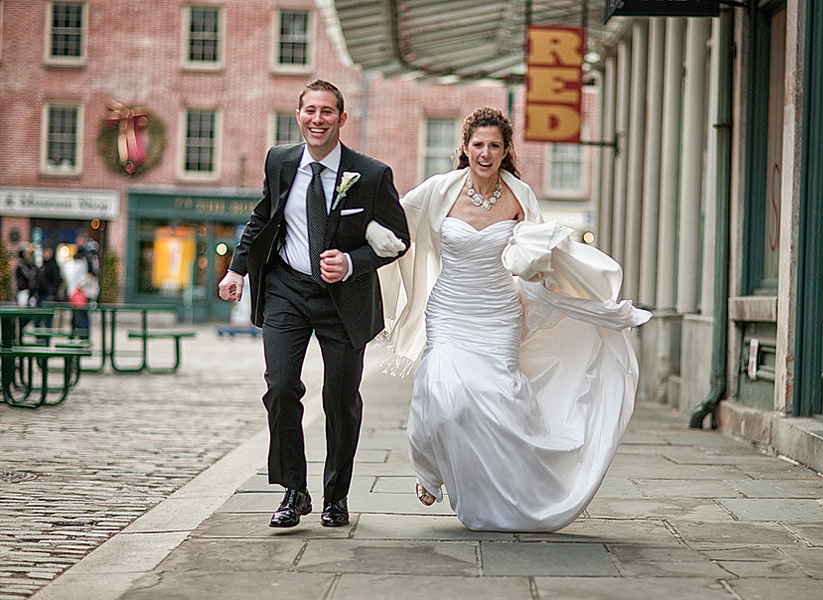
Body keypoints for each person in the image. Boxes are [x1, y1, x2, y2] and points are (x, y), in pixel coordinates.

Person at [377, 107, 651, 532]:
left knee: (499, 402)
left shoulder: (521, 196)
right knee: (442, 391)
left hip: (499, 313)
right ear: (465, 148)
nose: (485, 153)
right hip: (450, 309)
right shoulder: (438, 191)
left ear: (505, 152)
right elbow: (393, 221)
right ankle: (429, 466)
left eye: (494, 146)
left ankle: (502, 493)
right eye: (478, 144)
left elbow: (543, 260)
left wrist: (580, 297)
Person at [218, 80, 409, 529]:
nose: (317, 119)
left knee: (340, 399)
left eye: (327, 112)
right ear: (299, 115)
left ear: (342, 119)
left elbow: (398, 239)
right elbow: (264, 217)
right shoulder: (280, 161)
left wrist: (351, 261)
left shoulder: (372, 175)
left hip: (343, 299)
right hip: (287, 288)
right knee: (281, 387)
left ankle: (335, 495)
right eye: (310, 111)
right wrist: (237, 269)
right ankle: (293, 490)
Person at [63, 231, 99, 338]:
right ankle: (75, 337)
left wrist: (80, 284)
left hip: (84, 293)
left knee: (82, 318)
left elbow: (92, 274)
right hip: (75, 292)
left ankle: (84, 338)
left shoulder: (89, 257)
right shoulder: (76, 255)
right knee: (74, 318)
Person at [33, 243, 64, 330]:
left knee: (47, 320)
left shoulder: (53, 266)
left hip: (48, 296)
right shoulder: (41, 265)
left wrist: (52, 292)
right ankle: (38, 338)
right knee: (37, 318)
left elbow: (57, 281)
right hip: (39, 295)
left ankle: (46, 341)